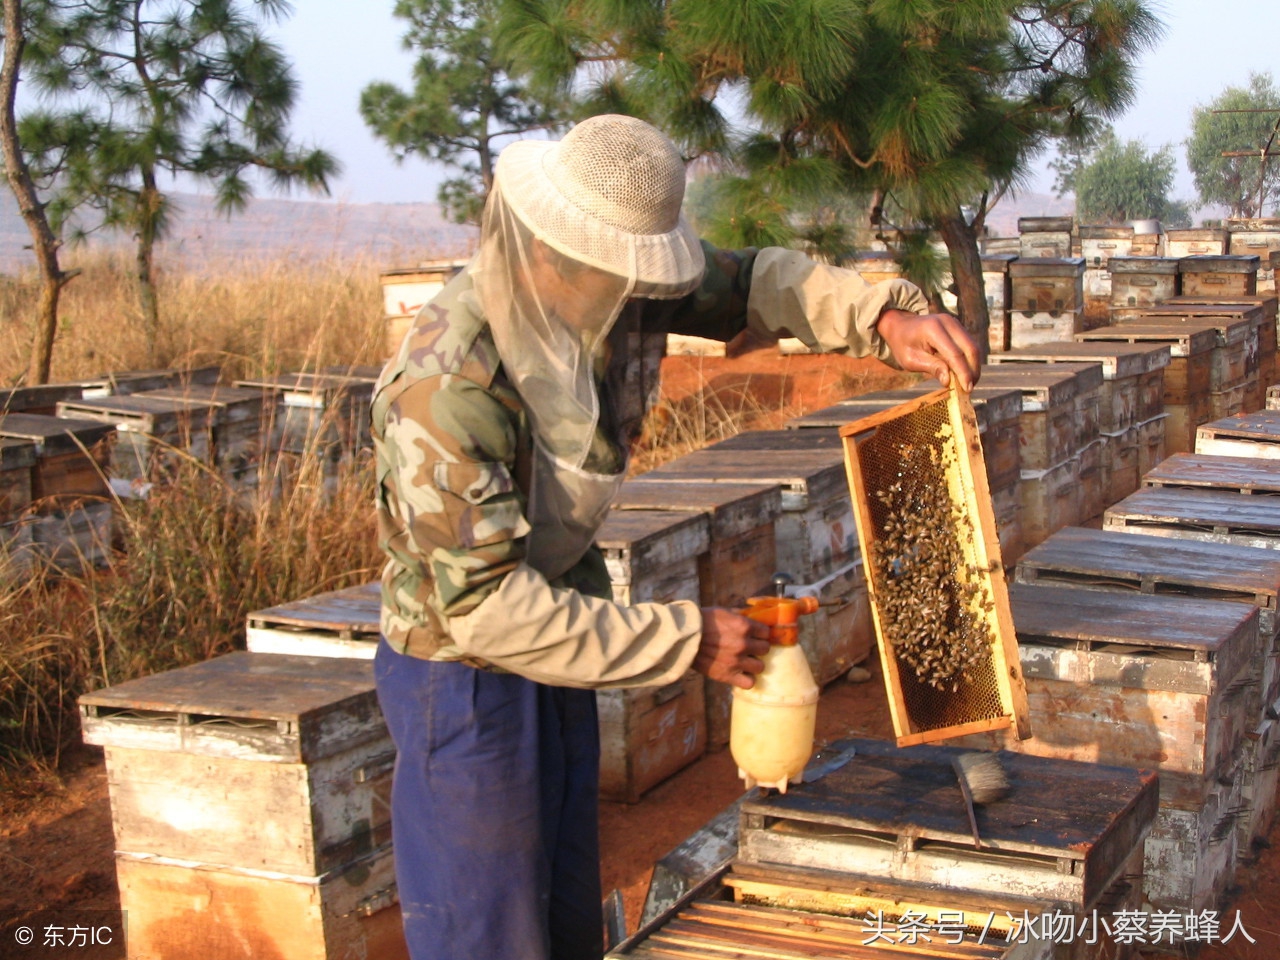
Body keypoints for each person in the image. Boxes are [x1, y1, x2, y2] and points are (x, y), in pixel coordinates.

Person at [370, 114, 981, 960]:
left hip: (562, 626)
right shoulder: (445, 389)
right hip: (462, 671)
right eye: (618, 274)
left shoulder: (610, 280)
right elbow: (482, 608)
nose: (640, 297)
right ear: (552, 248)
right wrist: (683, 638)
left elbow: (751, 283)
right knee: (491, 934)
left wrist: (880, 316)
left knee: (563, 914)